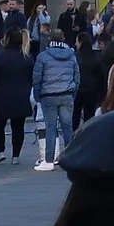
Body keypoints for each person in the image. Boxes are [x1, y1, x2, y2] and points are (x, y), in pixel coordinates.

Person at [31, 29, 81, 172]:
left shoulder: (43, 56)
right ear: (64, 38)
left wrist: (37, 96)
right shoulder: (71, 55)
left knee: (51, 129)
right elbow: (77, 77)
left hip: (48, 96)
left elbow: (37, 79)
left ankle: (48, 160)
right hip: (67, 94)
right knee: (67, 127)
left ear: (49, 38)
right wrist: (73, 93)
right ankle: (71, 158)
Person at [0, 28, 37, 164]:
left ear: (7, 39)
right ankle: (16, 156)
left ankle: (1, 151)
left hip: (2, 95)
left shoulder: (0, 57)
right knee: (18, 127)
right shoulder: (27, 57)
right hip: (22, 95)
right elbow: (32, 77)